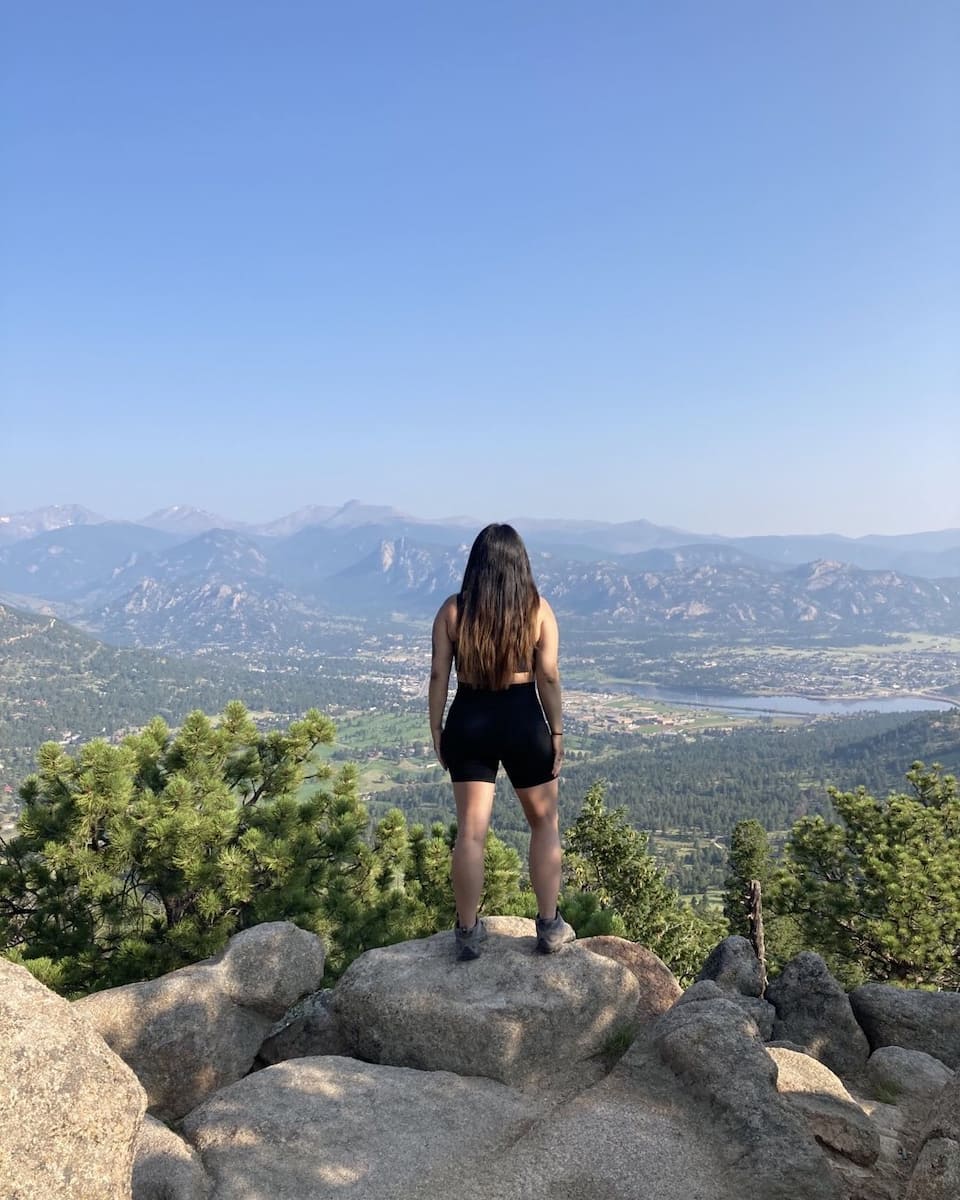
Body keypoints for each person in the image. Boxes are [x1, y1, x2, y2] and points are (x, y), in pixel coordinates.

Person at [429, 523, 575, 961]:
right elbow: (548, 675)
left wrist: (437, 729)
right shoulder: (538, 611)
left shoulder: (454, 611)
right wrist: (557, 730)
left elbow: (439, 675)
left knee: (471, 833)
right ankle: (549, 925)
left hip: (469, 718)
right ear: (520, 564)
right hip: (522, 718)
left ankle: (468, 932)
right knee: (544, 824)